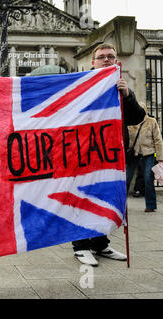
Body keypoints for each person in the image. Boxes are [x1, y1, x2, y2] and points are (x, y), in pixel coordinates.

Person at [72, 43, 146, 266]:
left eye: (110, 56)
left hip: (111, 158)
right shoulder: (81, 85)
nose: (106, 60)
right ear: (92, 62)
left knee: (105, 200)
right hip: (84, 156)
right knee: (83, 200)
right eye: (101, 57)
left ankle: (100, 243)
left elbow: (137, 118)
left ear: (116, 61)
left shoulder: (120, 87)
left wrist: (128, 95)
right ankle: (81, 246)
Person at [126, 102, 163, 213]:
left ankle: (150, 205)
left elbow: (158, 140)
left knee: (148, 178)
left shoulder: (152, 121)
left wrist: (160, 157)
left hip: (149, 153)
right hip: (133, 154)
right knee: (127, 178)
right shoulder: (130, 123)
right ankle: (121, 205)